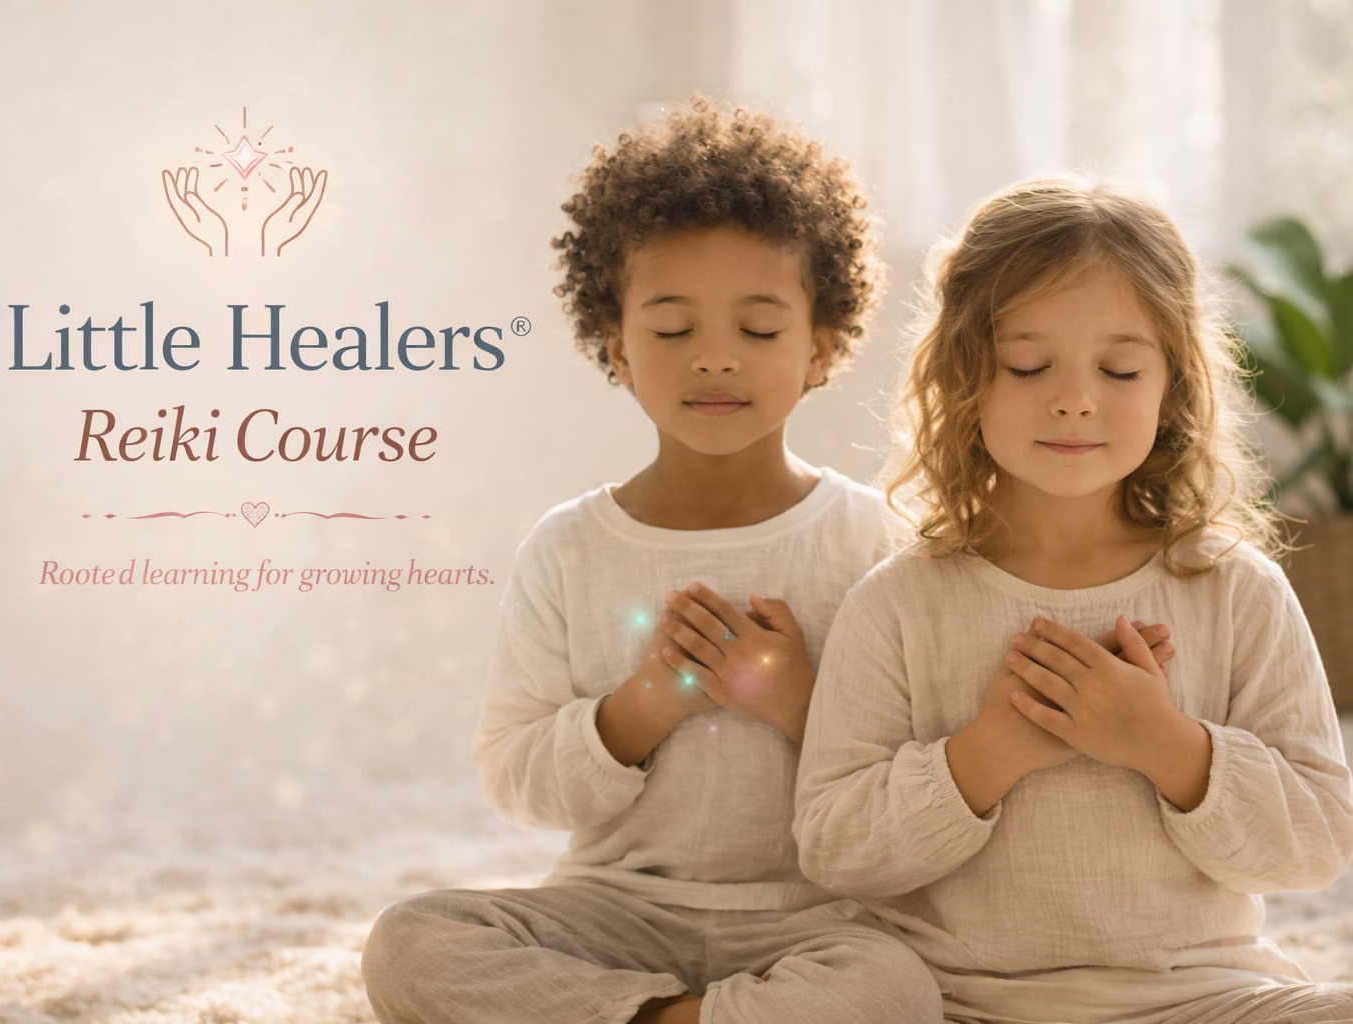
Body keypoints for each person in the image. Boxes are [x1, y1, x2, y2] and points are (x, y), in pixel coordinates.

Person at [360, 96, 954, 1024]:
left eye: (758, 330)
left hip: (812, 918)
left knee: (899, 990)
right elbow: (514, 774)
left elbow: (916, 779)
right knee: (409, 944)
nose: (714, 360)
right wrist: (641, 708)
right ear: (617, 349)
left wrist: (793, 702)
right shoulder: (567, 548)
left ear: (820, 348)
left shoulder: (874, 541)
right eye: (673, 330)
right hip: (615, 909)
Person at [794, 177, 1353, 1024]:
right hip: (960, 1004)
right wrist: (986, 755)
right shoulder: (898, 603)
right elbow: (834, 849)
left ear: (1173, 386)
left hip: (1202, 999)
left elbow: (1317, 842)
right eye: (1027, 364)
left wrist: (1168, 747)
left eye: (1120, 368)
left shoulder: (1236, 588)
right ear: (964, 378)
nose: (1074, 397)